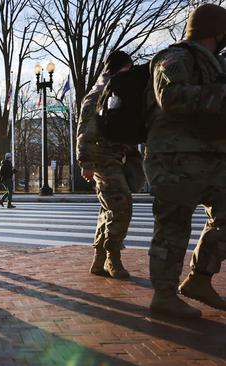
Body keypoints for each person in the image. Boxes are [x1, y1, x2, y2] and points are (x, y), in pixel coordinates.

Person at [146, 3, 226, 318]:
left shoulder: (216, 64)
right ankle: (163, 295)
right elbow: (172, 97)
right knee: (173, 226)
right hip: (174, 158)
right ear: (216, 31)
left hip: (214, 157)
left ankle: (200, 278)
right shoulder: (174, 57)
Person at [76, 50, 137, 279]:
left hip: (114, 157)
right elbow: (84, 131)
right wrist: (86, 162)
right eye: (127, 69)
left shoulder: (117, 90)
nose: (129, 74)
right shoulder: (98, 94)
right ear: (116, 69)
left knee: (108, 210)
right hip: (102, 158)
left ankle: (99, 260)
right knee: (122, 206)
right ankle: (113, 258)